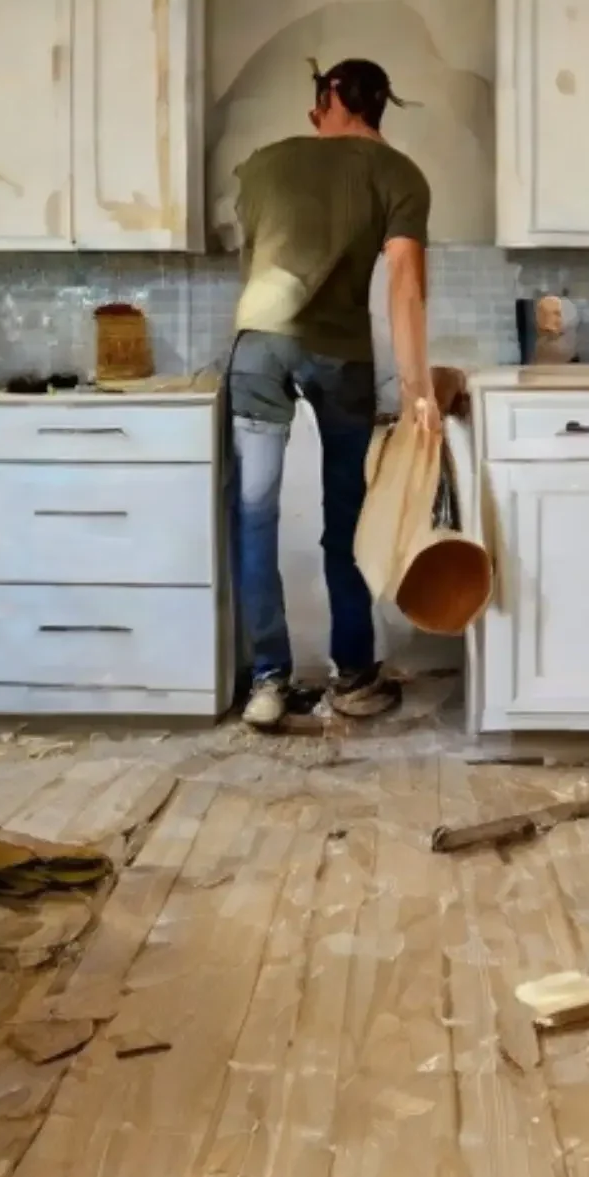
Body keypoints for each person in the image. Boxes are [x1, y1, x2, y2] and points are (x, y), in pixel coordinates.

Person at [225, 56, 435, 731]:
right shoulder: (400, 174)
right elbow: (405, 285)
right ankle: (352, 677)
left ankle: (267, 681)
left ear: (333, 97)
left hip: (258, 347)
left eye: (318, 103)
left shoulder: (260, 166)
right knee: (345, 518)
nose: (314, 117)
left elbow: (261, 258)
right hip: (338, 355)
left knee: (254, 515)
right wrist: (417, 389)